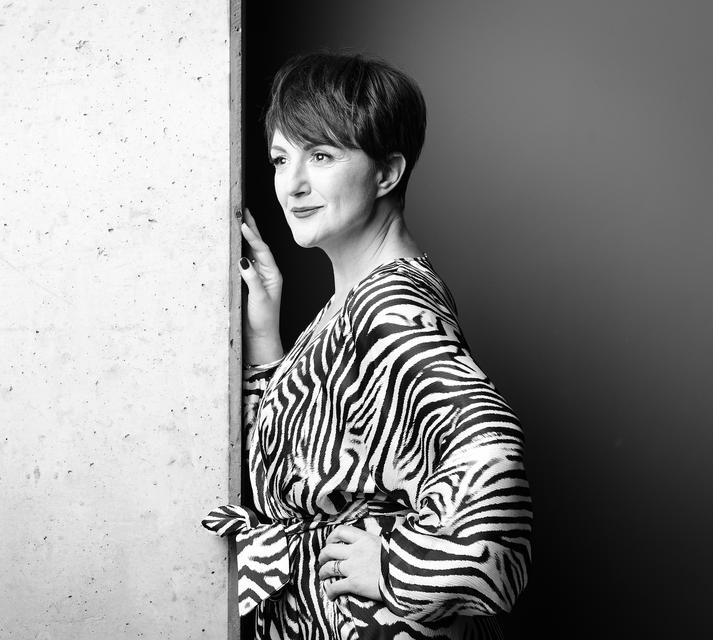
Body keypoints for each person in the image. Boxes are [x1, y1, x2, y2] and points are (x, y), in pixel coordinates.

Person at [203, 52, 532, 639]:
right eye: (281, 159)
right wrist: (265, 338)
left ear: (386, 173)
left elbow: (491, 446)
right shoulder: (352, 303)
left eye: (321, 156)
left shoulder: (390, 304)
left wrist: (396, 568)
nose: (292, 184)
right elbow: (296, 471)